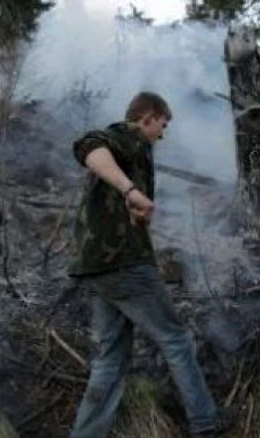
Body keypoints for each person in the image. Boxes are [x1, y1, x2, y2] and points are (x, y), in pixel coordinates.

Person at [67, 91, 229, 438]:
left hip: (97, 267)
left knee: (111, 358)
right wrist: (131, 191)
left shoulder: (136, 151)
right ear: (147, 117)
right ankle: (206, 424)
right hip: (124, 263)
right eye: (163, 124)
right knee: (176, 339)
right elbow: (88, 147)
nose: (163, 133)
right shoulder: (128, 137)